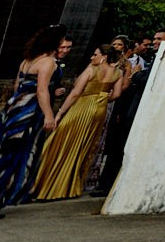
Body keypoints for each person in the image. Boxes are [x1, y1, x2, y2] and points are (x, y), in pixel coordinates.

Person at [0, 24, 63, 220]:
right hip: (28, 113)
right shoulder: (48, 62)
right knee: (11, 158)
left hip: (13, 109)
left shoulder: (27, 60)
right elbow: (42, 90)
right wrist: (49, 115)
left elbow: (17, 86)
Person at [30, 46, 121, 200]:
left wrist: (60, 113)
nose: (92, 57)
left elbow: (75, 92)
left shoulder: (92, 69)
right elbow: (117, 94)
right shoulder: (117, 73)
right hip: (100, 110)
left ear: (104, 56)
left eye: (95, 54)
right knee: (82, 147)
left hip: (82, 108)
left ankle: (49, 185)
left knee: (59, 142)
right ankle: (69, 187)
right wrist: (103, 98)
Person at [95, 38, 153, 197]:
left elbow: (126, 86)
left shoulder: (127, 64)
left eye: (120, 44)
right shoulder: (99, 61)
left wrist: (135, 75)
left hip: (116, 103)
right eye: (114, 44)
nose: (116, 47)